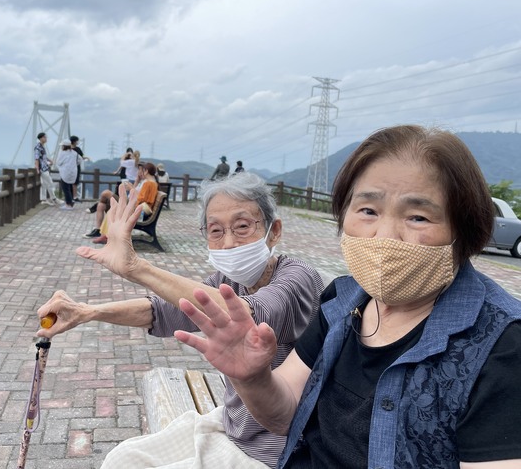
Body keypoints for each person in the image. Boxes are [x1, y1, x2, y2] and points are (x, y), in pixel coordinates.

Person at [175, 125, 521, 469]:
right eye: (368, 211)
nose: (384, 236)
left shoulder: (501, 346)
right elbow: (285, 413)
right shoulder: (342, 300)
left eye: (418, 217)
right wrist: (253, 378)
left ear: (464, 230)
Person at [37, 172, 324, 468]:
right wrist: (88, 312)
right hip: (234, 423)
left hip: (276, 449)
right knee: (122, 459)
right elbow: (165, 310)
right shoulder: (225, 280)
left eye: (242, 227)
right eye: (215, 231)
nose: (228, 243)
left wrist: (137, 267)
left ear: (273, 231)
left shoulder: (298, 278)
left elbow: (245, 315)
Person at [91, 162, 159, 244]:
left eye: (142, 170)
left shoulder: (149, 183)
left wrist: (131, 189)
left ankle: (106, 236)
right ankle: (105, 235)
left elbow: (141, 199)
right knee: (113, 210)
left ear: (146, 171)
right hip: (142, 209)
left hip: (140, 210)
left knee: (113, 211)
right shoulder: (152, 182)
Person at [84, 150, 140, 238]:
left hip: (129, 203)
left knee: (106, 193)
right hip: (129, 199)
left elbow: (122, 162)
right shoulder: (137, 166)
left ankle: (94, 210)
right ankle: (98, 229)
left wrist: (125, 155)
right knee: (101, 204)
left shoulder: (130, 162)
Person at [56, 140, 83, 210]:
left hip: (65, 172)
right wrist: (74, 165)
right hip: (73, 173)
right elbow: (80, 160)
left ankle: (68, 204)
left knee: (65, 188)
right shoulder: (74, 153)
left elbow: (58, 162)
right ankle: (70, 202)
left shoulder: (62, 153)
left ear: (64, 146)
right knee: (70, 187)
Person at [34, 132, 58, 206]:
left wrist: (49, 160)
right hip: (42, 169)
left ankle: (43, 200)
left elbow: (43, 157)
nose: (46, 138)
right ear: (41, 138)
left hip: (45, 167)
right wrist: (37, 168)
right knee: (50, 183)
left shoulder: (42, 146)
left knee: (44, 184)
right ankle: (54, 199)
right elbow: (37, 158)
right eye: (45, 137)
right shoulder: (38, 147)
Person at [69, 135, 89, 202]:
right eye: (77, 141)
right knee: (69, 182)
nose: (77, 142)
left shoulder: (78, 149)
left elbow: (82, 156)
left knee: (75, 182)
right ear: (74, 141)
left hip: (76, 167)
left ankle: (75, 197)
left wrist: (86, 158)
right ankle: (71, 196)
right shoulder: (68, 149)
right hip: (70, 167)